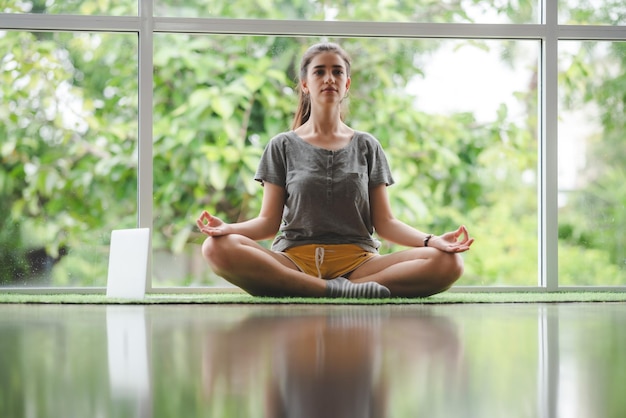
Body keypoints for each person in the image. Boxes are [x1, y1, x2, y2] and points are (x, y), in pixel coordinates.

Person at [197, 42, 474, 299]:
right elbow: (268, 223)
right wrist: (228, 228)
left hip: (360, 264)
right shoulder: (281, 145)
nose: (329, 78)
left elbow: (386, 223)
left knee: (448, 263)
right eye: (319, 72)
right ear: (305, 84)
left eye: (337, 72)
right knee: (215, 248)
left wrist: (431, 240)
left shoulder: (367, 145)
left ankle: (334, 289)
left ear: (347, 84)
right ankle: (329, 289)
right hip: (294, 260)